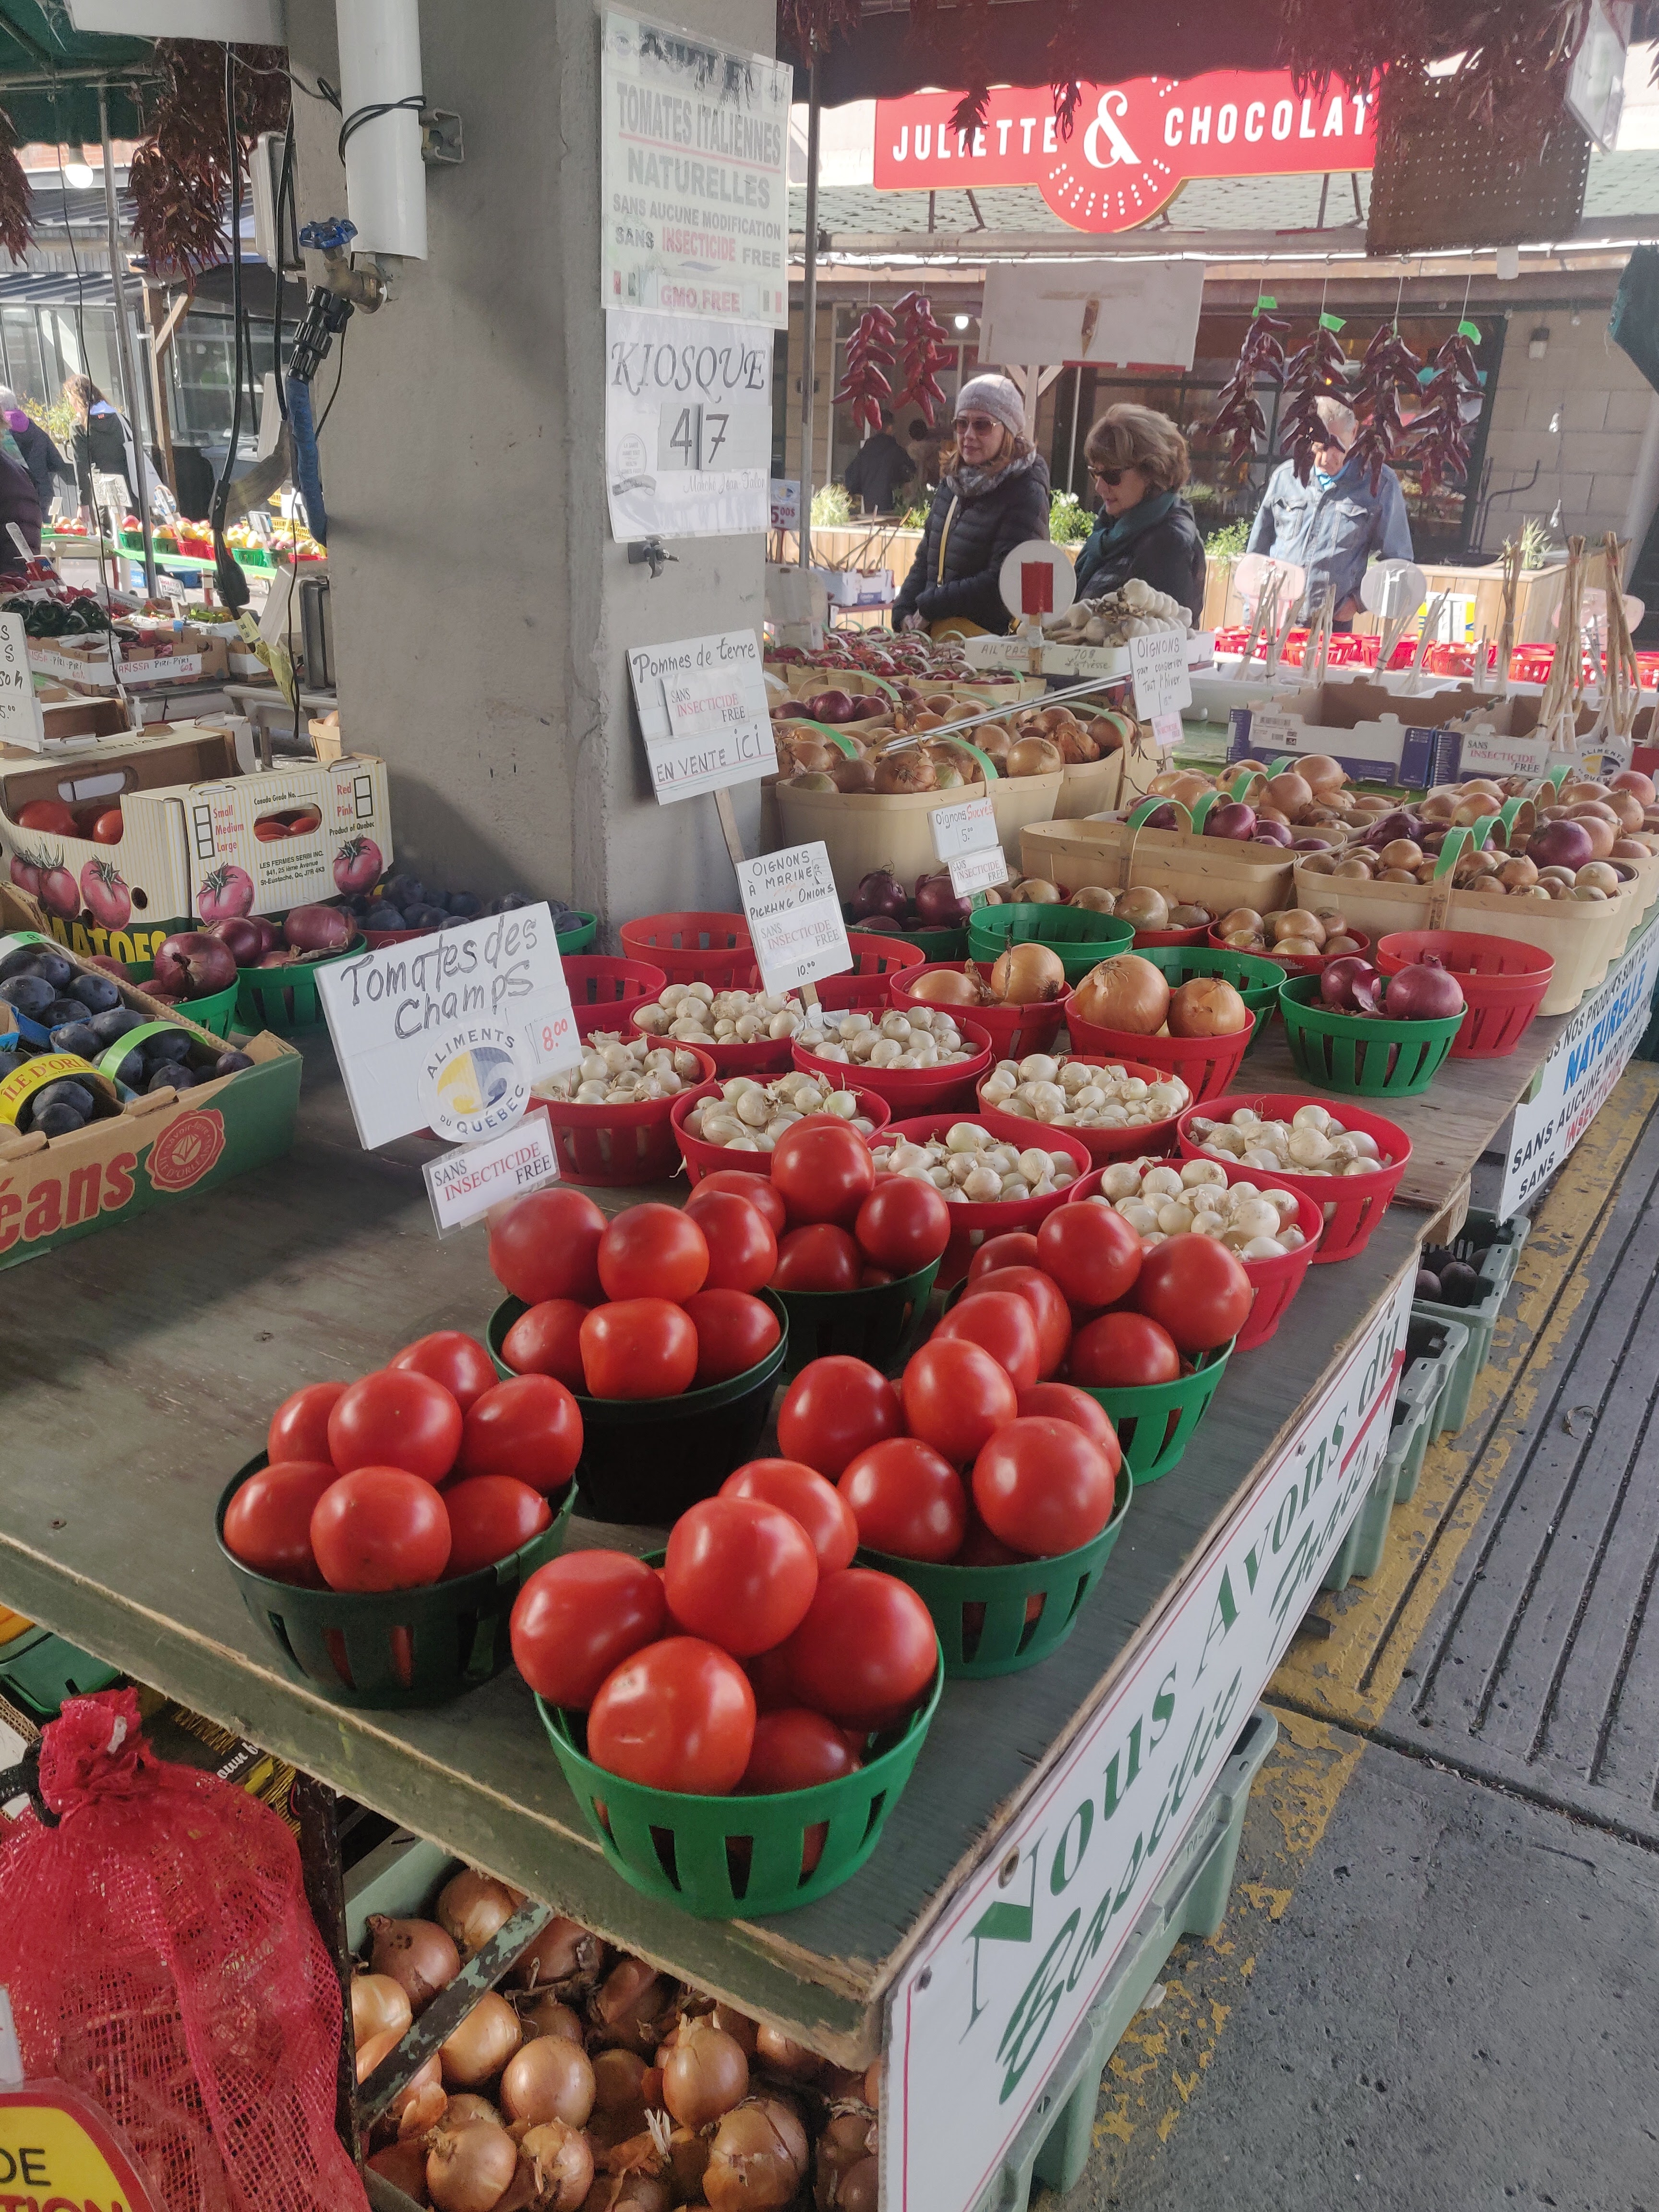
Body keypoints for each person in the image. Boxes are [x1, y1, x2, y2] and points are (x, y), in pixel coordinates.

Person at [892, 374, 1051, 637]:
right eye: (962, 423)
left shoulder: (1025, 490)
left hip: (987, 648)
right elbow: (926, 560)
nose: (968, 435)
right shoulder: (953, 481)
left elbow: (1005, 580)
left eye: (982, 426)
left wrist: (932, 605)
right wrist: (905, 608)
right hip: (938, 641)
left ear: (1009, 431)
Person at [1246, 394, 1413, 625]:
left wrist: (1357, 603)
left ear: (1354, 432)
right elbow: (1257, 552)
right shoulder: (1286, 477)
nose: (1325, 459)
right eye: (1319, 447)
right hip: (1273, 617)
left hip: (1331, 626)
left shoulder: (1379, 484)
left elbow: (1399, 562)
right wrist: (1251, 607)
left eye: (1336, 448)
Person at [1072, 403, 1207, 623]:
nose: (1100, 487)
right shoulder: (1112, 529)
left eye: (1112, 476)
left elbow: (1158, 643)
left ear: (1153, 471)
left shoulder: (1167, 542)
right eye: (1096, 474)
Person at [62, 374, 140, 520]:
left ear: (76, 397)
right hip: (131, 487)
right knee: (134, 532)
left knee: (109, 537)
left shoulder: (79, 427)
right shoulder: (119, 418)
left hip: (103, 489)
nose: (69, 402)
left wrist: (83, 503)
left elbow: (81, 466)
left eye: (69, 397)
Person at [0, 388, 72, 519]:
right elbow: (57, 463)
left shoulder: (3, 435)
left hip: (16, 502)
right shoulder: (36, 430)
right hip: (44, 497)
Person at [843, 407, 915, 516]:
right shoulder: (895, 450)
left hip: (869, 504)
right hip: (890, 505)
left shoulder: (867, 450)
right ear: (890, 427)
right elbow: (912, 471)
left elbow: (851, 476)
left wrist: (863, 489)